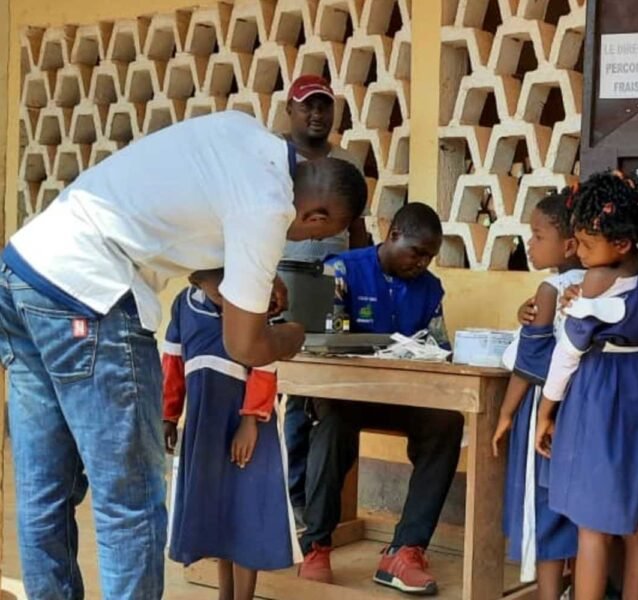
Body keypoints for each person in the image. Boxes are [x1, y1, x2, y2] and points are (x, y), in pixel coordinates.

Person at [0, 110, 364, 600]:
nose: (305, 240)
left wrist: (222, 278)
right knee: (129, 500)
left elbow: (170, 221)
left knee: (45, 489)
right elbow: (245, 345)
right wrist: (291, 336)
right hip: (92, 293)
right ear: (314, 216)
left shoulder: (242, 131)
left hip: (23, 272)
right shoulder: (269, 206)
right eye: (316, 235)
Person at [299, 203, 460, 596]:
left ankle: (405, 550)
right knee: (332, 421)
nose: (422, 263)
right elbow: (323, 339)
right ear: (393, 235)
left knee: (446, 422)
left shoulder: (430, 288)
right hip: (345, 391)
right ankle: (316, 544)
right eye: (416, 252)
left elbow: (438, 347)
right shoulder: (342, 270)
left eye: (429, 257)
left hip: (401, 395)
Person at [532, 171, 638, 600]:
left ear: (621, 243)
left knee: (591, 528)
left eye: (587, 244)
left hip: (598, 394)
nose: (580, 252)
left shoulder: (594, 281)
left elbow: (568, 353)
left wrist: (546, 411)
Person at [163, 269, 300, 600]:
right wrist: (168, 415)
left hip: (247, 422)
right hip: (205, 425)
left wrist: (250, 421)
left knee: (246, 512)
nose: (225, 296)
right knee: (220, 513)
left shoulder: (250, 300)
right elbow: (173, 363)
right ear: (197, 278)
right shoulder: (183, 305)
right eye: (216, 290)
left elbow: (264, 362)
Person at [279, 74, 373, 518]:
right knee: (290, 390)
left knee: (328, 391)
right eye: (307, 106)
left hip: (333, 283)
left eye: (324, 106)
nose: (316, 114)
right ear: (289, 110)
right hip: (281, 284)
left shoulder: (347, 161)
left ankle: (312, 501)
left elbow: (358, 228)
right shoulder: (273, 156)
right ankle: (291, 496)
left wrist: (361, 280)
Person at [491, 191, 583, 600]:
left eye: (538, 235)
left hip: (544, 410)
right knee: (580, 511)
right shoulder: (602, 282)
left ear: (569, 245)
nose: (529, 243)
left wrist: (506, 414)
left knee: (544, 509)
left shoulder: (551, 289)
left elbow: (529, 365)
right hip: (586, 406)